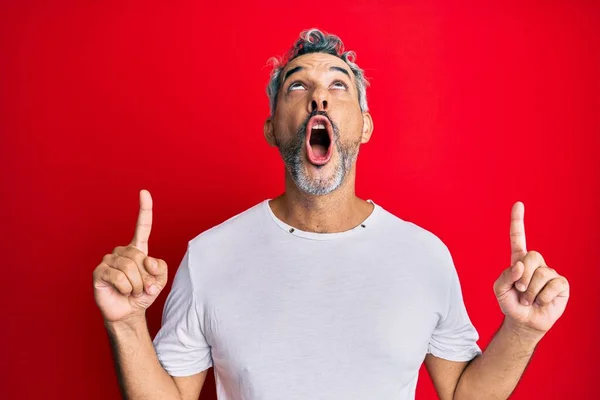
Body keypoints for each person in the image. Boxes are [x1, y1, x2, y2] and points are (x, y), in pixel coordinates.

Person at [92, 29, 570, 400]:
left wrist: (522, 331)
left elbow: (465, 393)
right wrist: (126, 324)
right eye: (297, 86)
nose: (318, 97)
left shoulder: (424, 255)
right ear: (272, 127)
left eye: (338, 86)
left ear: (364, 126)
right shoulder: (209, 255)